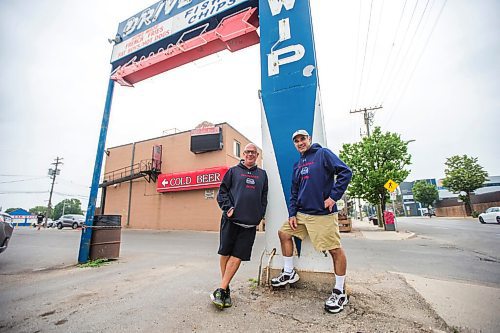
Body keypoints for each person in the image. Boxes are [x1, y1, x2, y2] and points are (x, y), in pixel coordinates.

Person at [271, 129, 352, 314]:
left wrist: (333, 197)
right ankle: (289, 272)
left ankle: (340, 291)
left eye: (303, 139)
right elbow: (294, 191)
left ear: (309, 139)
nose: (300, 142)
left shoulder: (322, 154)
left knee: (334, 249)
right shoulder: (297, 164)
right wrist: (292, 214)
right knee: (283, 233)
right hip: (301, 214)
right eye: (296, 141)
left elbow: (345, 172)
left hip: (322, 214)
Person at [211, 143, 268, 309]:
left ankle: (221, 289)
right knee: (226, 252)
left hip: (249, 224)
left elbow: (264, 197)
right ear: (243, 154)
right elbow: (222, 192)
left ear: (257, 156)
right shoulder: (233, 171)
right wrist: (228, 207)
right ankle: (225, 289)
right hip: (231, 220)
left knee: (238, 255)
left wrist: (260, 214)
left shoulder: (263, 175)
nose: (250, 154)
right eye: (247, 152)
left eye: (253, 153)